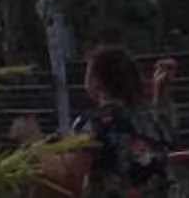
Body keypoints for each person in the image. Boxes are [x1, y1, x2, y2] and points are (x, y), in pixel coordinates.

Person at [75, 44, 178, 196]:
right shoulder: (149, 119)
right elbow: (166, 127)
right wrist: (160, 88)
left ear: (97, 83)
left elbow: (72, 169)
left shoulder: (89, 124)